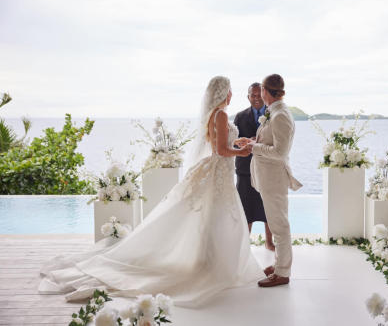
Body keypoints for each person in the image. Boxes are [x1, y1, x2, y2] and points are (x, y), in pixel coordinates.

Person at [38, 76, 264, 307]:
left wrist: (238, 142)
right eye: (229, 90)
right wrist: (241, 152)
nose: (231, 94)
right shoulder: (222, 114)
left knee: (213, 218)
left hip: (218, 173)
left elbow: (220, 142)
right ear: (222, 92)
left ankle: (209, 261)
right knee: (217, 218)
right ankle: (212, 265)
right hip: (220, 173)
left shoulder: (214, 114)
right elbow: (220, 150)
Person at [244, 74, 303, 287]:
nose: (259, 94)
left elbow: (280, 152)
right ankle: (279, 265)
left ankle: (283, 273)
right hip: (266, 178)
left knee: (279, 226)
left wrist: (254, 148)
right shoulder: (273, 113)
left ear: (267, 92)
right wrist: (253, 140)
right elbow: (270, 141)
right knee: (278, 224)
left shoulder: (280, 116)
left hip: (274, 179)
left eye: (261, 90)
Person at [233, 82, 275, 251]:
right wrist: (245, 142)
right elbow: (233, 143)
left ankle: (269, 242)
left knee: (269, 208)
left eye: (259, 95)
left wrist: (258, 142)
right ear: (248, 96)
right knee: (245, 208)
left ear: (264, 95)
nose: (256, 98)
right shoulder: (240, 116)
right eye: (253, 95)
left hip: (268, 167)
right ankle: (245, 244)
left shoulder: (273, 114)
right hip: (245, 169)